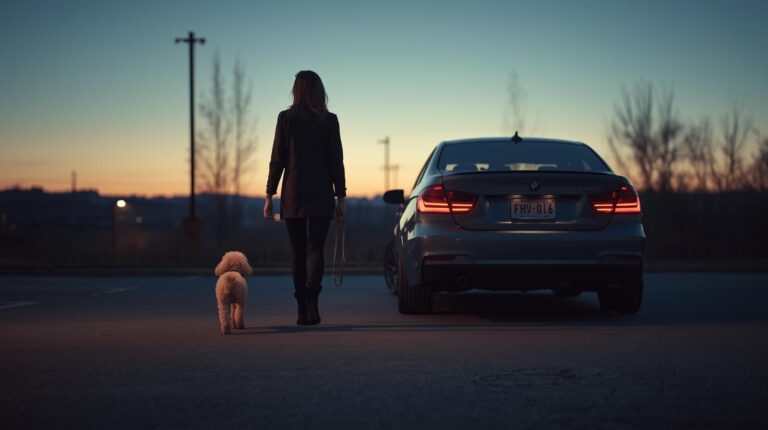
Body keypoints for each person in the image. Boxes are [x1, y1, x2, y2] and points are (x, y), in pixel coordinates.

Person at [263, 70, 346, 326]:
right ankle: (312, 301)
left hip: (293, 192)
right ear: (320, 90)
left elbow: (277, 159)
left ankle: (301, 308)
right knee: (315, 250)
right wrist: (340, 197)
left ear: (296, 90)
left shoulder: (285, 119)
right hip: (321, 193)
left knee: (298, 253)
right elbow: (336, 161)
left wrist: (269, 194)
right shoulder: (329, 120)